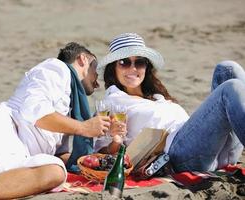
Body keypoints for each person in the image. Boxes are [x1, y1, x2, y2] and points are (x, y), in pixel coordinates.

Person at [0, 42, 110, 199]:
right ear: (83, 59)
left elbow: (60, 154)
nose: (97, 82)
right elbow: (36, 113)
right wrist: (83, 128)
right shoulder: (56, 69)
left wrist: (96, 161)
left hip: (19, 159)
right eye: (96, 70)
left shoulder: (71, 107)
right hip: (1, 131)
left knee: (56, 172)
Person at [95, 32, 245, 173]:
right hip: (178, 155)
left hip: (217, 152)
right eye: (124, 62)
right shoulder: (113, 101)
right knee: (231, 88)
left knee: (228, 68)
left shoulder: (155, 96)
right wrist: (116, 140)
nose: (133, 68)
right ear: (113, 68)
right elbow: (100, 154)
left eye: (139, 62)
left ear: (146, 67)